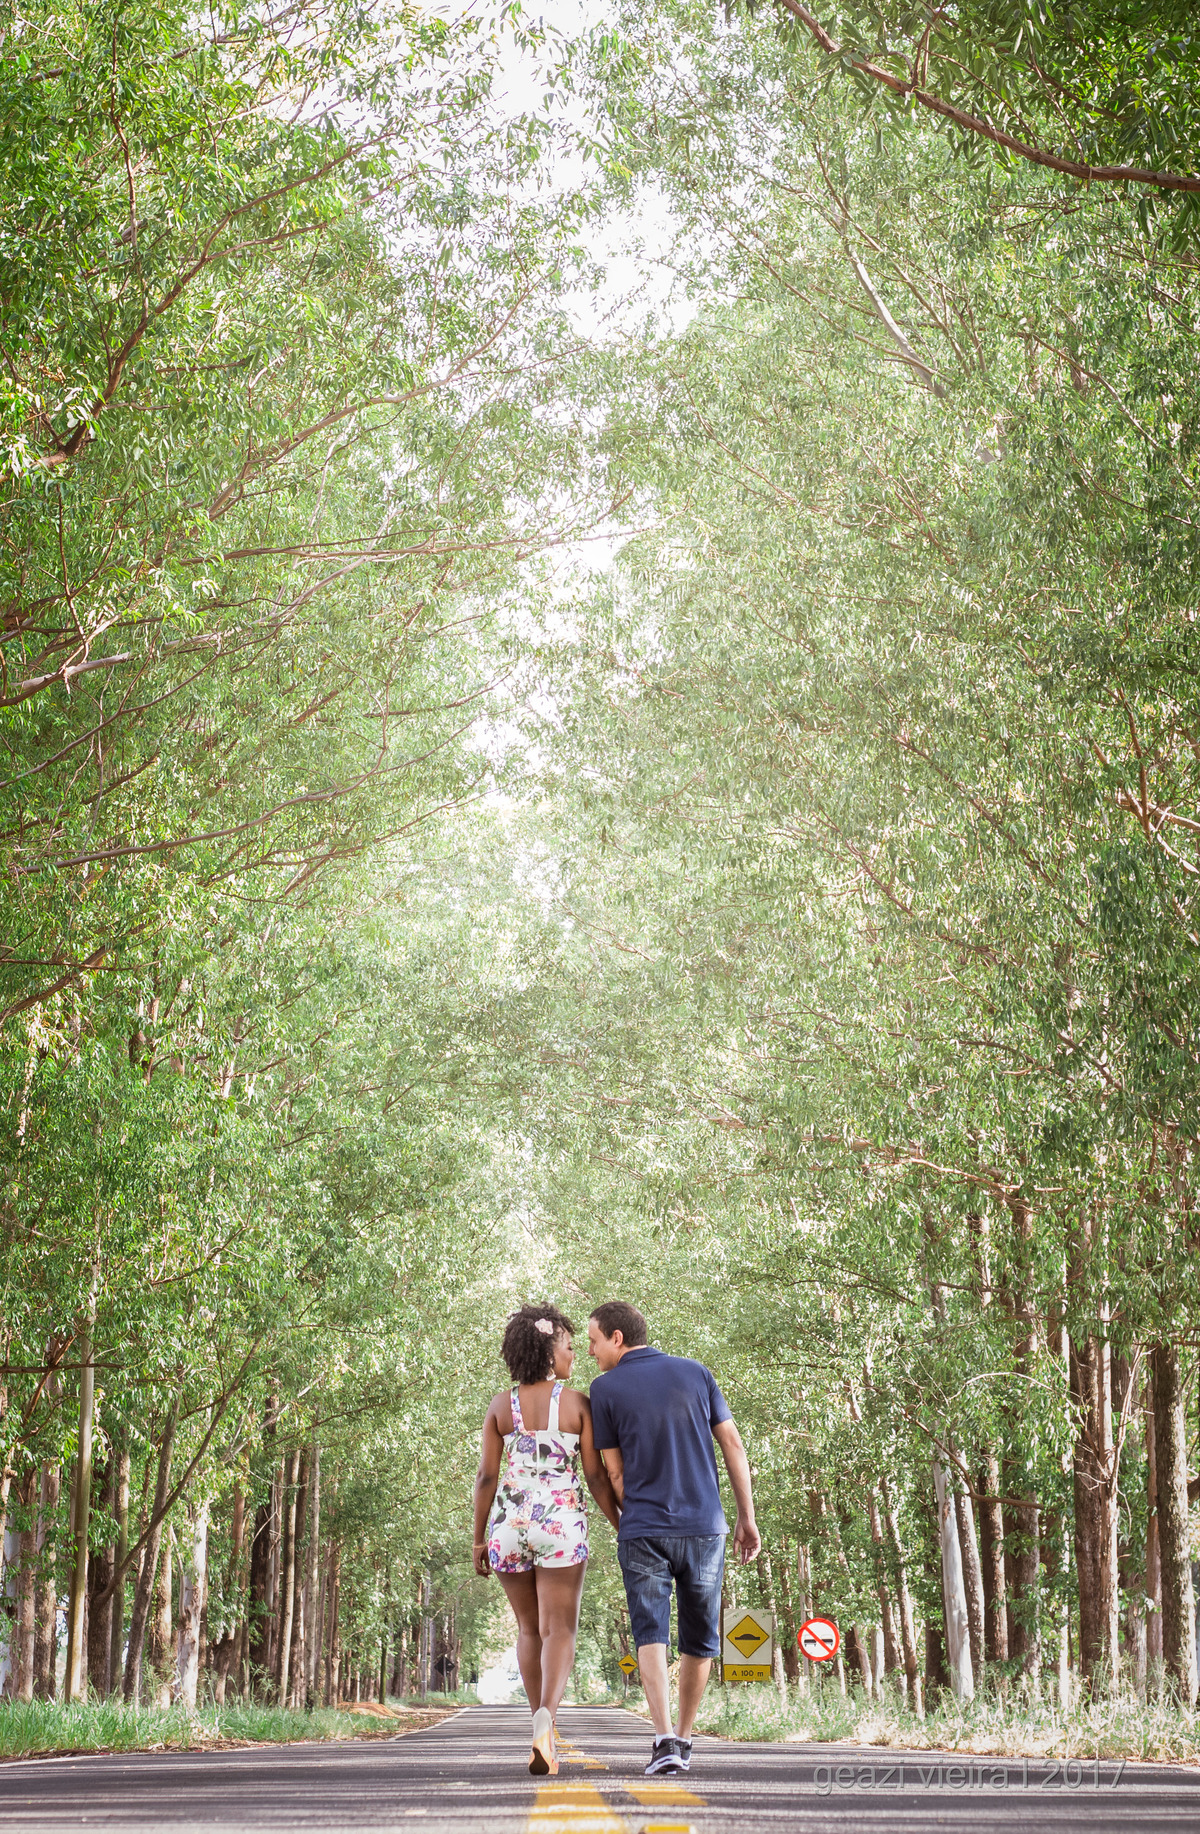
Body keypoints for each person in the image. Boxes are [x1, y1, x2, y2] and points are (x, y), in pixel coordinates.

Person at [587, 1300, 760, 1777]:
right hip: (706, 1526)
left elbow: (614, 1473)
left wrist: (630, 1522)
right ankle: (684, 1737)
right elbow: (733, 1444)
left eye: (593, 1341)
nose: (590, 1351)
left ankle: (662, 1737)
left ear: (617, 1338)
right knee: (699, 1635)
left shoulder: (604, 1389)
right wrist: (746, 1516)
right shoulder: (697, 1373)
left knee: (650, 1631)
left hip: (644, 1528)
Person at [473, 1303, 620, 1776]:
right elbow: (596, 1478)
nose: (575, 1355)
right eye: (569, 1346)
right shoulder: (578, 1404)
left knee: (528, 1630)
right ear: (549, 1352)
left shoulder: (501, 1405)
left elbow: (485, 1479)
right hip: (560, 1523)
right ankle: (546, 1722)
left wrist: (479, 1541)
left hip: (509, 1528)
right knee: (561, 1630)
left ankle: (537, 1724)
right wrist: (622, 1524)